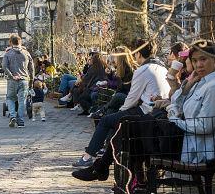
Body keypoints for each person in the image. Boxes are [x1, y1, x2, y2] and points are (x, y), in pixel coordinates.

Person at [71, 38, 170, 169]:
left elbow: (131, 99)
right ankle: (102, 152)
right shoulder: (162, 67)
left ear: (138, 54)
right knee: (112, 116)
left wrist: (121, 111)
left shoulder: (144, 69)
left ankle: (88, 157)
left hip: (147, 112)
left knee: (106, 120)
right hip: (160, 111)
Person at [2, 34, 34, 128]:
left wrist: (11, 75)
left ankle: (12, 116)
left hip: (12, 80)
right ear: (20, 42)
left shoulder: (8, 53)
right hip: (24, 80)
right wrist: (31, 80)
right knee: (22, 101)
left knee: (10, 98)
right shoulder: (26, 53)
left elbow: (4, 66)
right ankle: (20, 121)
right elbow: (31, 68)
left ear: (11, 42)